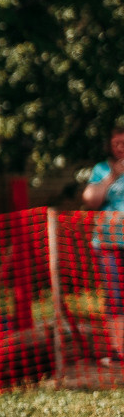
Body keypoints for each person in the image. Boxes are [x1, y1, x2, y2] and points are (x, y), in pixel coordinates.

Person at [81, 126, 124, 364]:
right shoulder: (101, 170)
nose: (120, 147)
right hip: (109, 242)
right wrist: (112, 177)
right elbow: (90, 199)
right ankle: (120, 351)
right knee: (115, 298)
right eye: (116, 143)